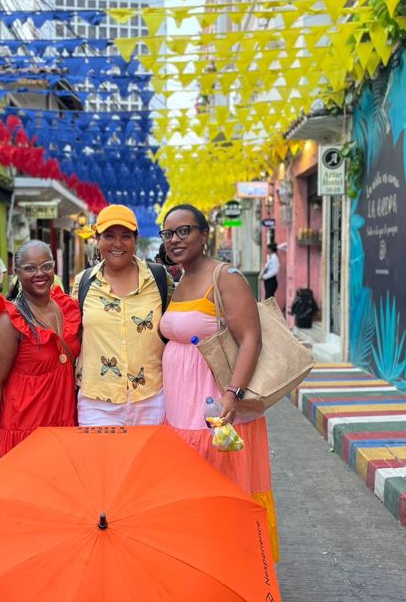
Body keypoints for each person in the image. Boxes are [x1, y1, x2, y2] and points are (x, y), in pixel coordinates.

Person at [158, 204, 279, 560]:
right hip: (180, 415)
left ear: (204, 234)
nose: (175, 239)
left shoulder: (225, 276)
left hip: (218, 413)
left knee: (225, 497)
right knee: (193, 499)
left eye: (185, 231)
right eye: (169, 233)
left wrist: (232, 394)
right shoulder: (178, 280)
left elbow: (251, 339)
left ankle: (238, 574)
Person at [0, 240, 80, 481]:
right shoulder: (10, 321)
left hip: (61, 423)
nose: (39, 274)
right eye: (30, 268)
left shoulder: (67, 308)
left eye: (46, 266)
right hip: (23, 427)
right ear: (17, 272)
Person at [72, 204, 173, 426]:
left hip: (152, 398)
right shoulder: (83, 283)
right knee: (101, 462)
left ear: (135, 239)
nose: (117, 244)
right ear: (97, 238)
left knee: (148, 462)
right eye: (109, 236)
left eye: (125, 236)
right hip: (97, 402)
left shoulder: (159, 279)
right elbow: (71, 334)